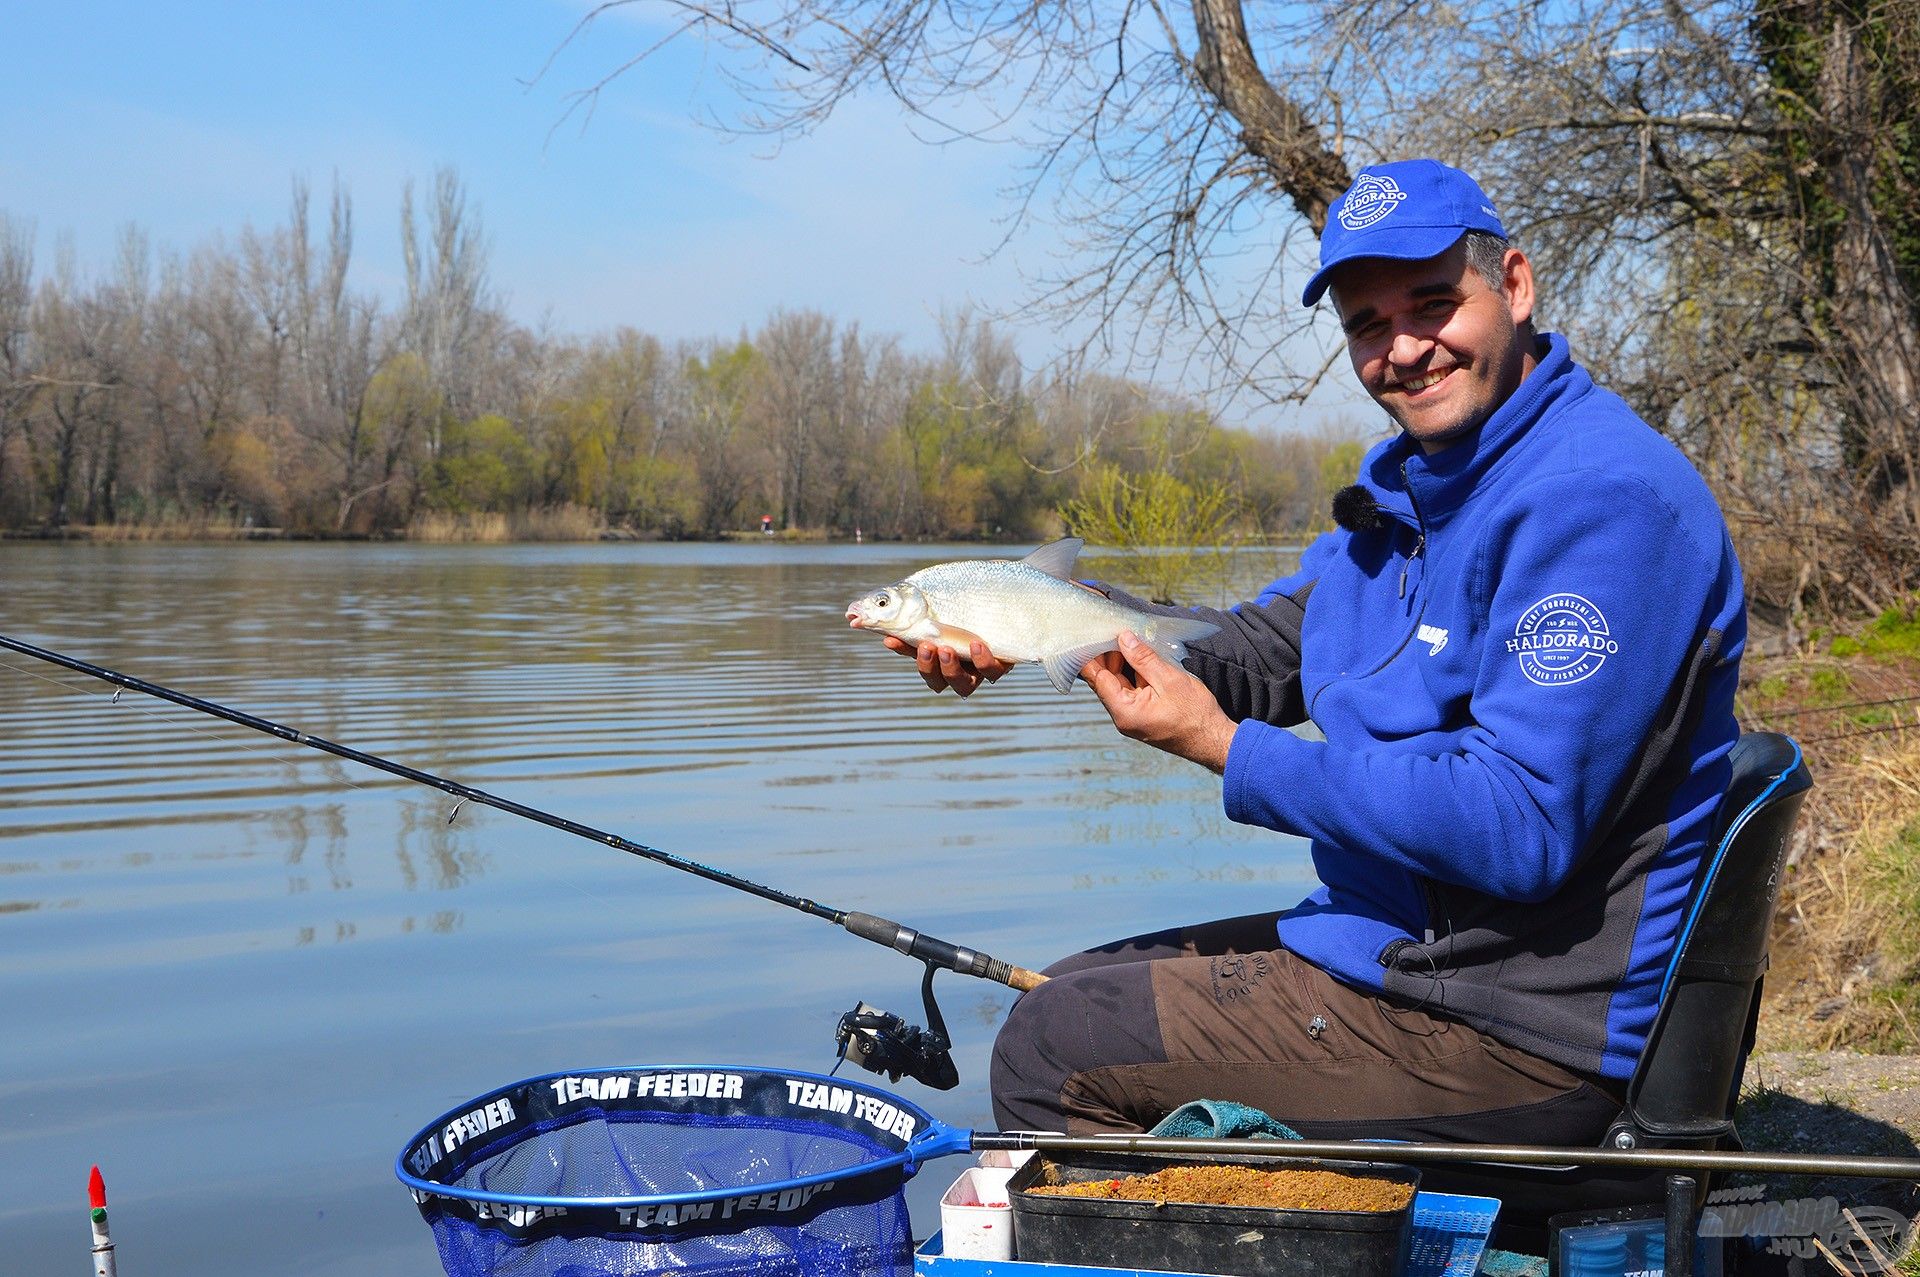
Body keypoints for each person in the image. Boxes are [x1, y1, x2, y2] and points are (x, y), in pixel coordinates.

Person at [884, 158, 1745, 1143]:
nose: (1405, 348)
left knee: (1050, 1046)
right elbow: (1251, 651)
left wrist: (1229, 750)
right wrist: (1045, 621)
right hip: (1407, 955)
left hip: (1518, 1030)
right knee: (1077, 986)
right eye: (1367, 325)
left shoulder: (1601, 503)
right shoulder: (1421, 490)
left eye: (1432, 303)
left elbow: (1518, 823)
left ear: (1513, 284)